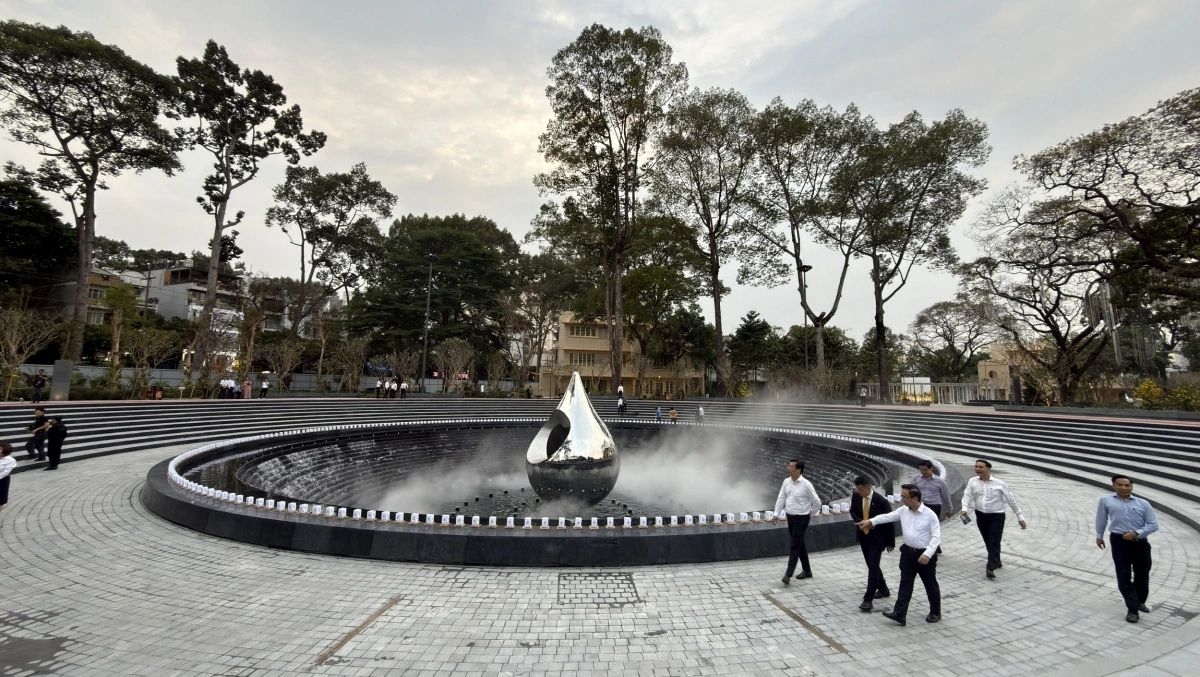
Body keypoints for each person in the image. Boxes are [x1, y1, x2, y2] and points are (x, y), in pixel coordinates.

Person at [857, 484, 942, 625]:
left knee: (930, 584)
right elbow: (887, 517)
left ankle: (935, 612)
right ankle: (899, 613)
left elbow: (936, 537)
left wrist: (927, 554)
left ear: (915, 498)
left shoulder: (929, 515)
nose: (902, 499)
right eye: (901, 496)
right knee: (905, 583)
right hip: (907, 553)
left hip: (924, 555)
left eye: (904, 497)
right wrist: (871, 521)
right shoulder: (903, 511)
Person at [1096, 474, 1159, 623]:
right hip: (1119, 541)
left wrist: (1136, 533)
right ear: (1114, 485)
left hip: (1140, 542)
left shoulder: (1143, 503)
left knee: (1142, 574)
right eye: (1120, 485)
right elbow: (1101, 518)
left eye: (1127, 485)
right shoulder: (1106, 500)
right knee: (1123, 575)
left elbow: (1153, 524)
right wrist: (1099, 535)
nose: (1124, 488)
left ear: (1132, 487)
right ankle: (1132, 609)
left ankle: (1140, 601)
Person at [960, 458, 1026, 579]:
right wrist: (964, 508)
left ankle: (990, 567)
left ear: (988, 468)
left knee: (994, 540)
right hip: (980, 515)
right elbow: (967, 495)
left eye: (981, 467)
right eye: (976, 466)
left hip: (997, 516)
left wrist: (1020, 516)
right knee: (988, 540)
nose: (977, 469)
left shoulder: (1000, 483)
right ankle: (997, 561)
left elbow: (1011, 500)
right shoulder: (972, 481)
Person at [849, 476, 895, 611]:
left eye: (860, 490)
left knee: (873, 566)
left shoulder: (881, 501)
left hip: (877, 538)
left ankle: (867, 600)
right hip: (864, 536)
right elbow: (852, 511)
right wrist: (860, 522)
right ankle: (883, 589)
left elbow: (890, 523)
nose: (859, 492)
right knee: (871, 565)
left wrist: (890, 543)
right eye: (857, 490)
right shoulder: (856, 496)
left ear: (867, 487)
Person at [774, 459, 820, 584]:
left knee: (794, 544)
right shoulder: (786, 482)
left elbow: (817, 502)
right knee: (799, 543)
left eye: (791, 466)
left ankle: (788, 574)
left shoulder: (806, 484)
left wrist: (809, 514)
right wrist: (776, 514)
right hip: (790, 517)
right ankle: (807, 571)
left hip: (802, 518)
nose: (788, 468)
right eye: (788, 465)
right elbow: (781, 497)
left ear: (798, 469)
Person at [911, 460, 953, 553]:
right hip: (921, 505)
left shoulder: (940, 481)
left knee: (931, 527)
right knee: (921, 527)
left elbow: (946, 496)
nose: (923, 472)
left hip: (934, 506)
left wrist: (949, 509)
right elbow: (911, 491)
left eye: (925, 470)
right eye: (921, 470)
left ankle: (933, 547)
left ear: (931, 469)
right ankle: (932, 546)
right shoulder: (916, 479)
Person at [0, 443, 15, 511]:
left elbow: (6, 472)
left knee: (1, 499)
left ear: (5, 450)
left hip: (2, 480)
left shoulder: (10, 460)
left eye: (0, 449)